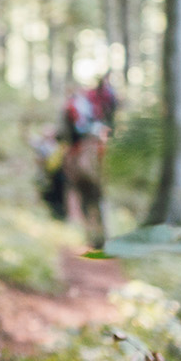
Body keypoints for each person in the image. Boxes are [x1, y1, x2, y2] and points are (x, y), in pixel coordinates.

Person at [58, 76, 117, 249]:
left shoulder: (75, 104)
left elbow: (67, 131)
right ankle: (99, 235)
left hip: (80, 152)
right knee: (97, 199)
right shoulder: (91, 103)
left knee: (89, 198)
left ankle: (94, 235)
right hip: (88, 152)